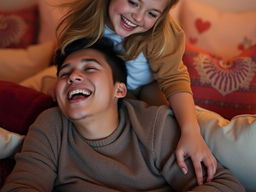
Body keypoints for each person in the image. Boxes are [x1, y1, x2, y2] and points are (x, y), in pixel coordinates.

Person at [56, 0, 216, 184]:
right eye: (133, 2)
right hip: (107, 89)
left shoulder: (162, 34)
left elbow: (173, 79)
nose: (138, 18)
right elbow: (68, 64)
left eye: (152, 13)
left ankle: (210, 138)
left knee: (171, 121)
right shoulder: (85, 22)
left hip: (151, 86)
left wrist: (191, 132)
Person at [2, 37, 245, 192]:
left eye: (89, 68)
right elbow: (23, 184)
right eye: (65, 73)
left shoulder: (154, 126)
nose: (73, 77)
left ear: (119, 89)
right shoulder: (50, 124)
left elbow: (225, 185)